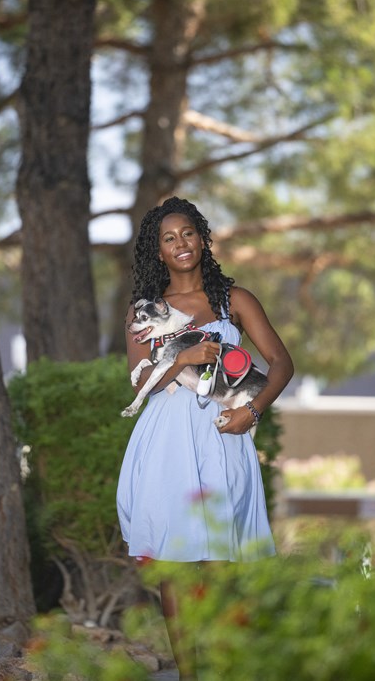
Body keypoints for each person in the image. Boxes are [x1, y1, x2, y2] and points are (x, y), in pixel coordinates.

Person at [116, 196, 294, 679]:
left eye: (188, 234)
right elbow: (137, 380)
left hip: (222, 437)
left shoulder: (234, 302)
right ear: (157, 251)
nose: (180, 245)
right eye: (168, 239)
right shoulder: (145, 312)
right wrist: (180, 361)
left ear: (202, 238)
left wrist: (252, 411)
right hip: (167, 440)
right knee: (174, 564)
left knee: (219, 561)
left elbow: (281, 364)